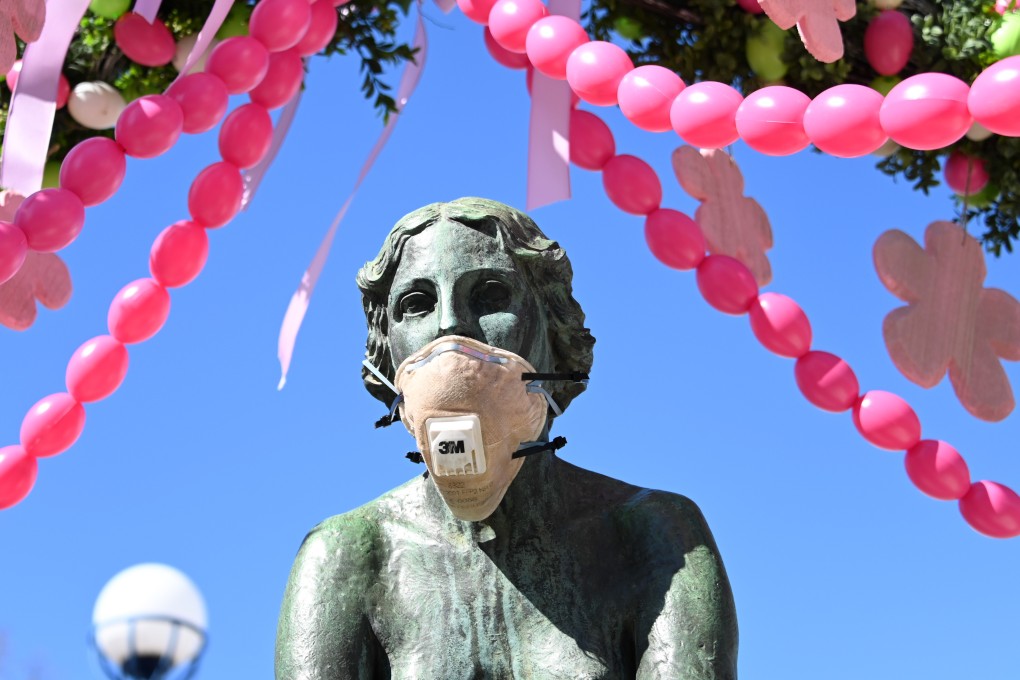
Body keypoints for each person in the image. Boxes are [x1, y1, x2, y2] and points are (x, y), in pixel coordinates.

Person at [275, 197, 738, 679]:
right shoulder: (346, 558)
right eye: (416, 304)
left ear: (555, 330)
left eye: (492, 295)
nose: (449, 326)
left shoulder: (655, 538)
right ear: (384, 349)